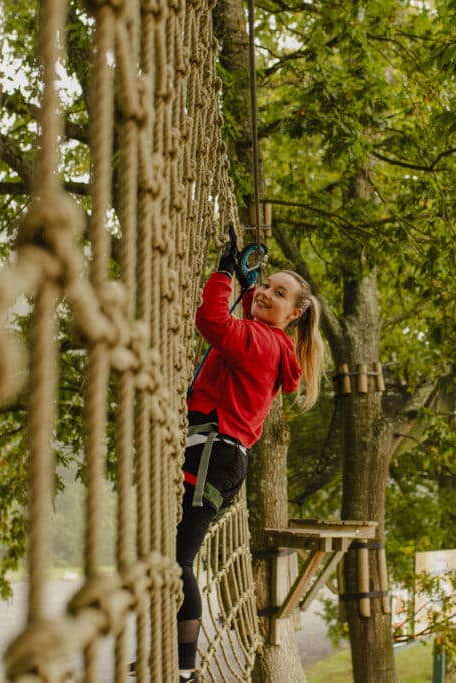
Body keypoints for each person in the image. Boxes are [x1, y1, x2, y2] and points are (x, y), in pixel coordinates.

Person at [173, 239, 325, 682]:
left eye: (280, 294)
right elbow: (231, 327)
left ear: (293, 315)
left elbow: (213, 321)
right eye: (267, 286)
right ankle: (173, 657)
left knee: (178, 561)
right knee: (170, 555)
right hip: (213, 456)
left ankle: (185, 672)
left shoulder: (265, 343)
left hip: (211, 458)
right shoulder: (265, 341)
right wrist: (244, 284)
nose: (267, 294)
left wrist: (222, 274)